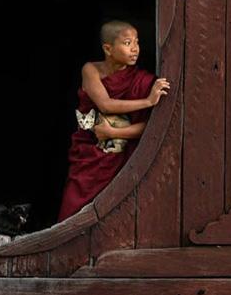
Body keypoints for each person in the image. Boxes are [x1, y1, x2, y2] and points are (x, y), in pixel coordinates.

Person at [57, 21, 170, 221]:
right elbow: (106, 105)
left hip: (125, 157)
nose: (135, 49)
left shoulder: (143, 81)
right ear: (108, 49)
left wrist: (113, 133)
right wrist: (148, 101)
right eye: (127, 43)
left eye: (137, 42)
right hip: (90, 154)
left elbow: (152, 128)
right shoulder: (91, 70)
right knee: (72, 212)